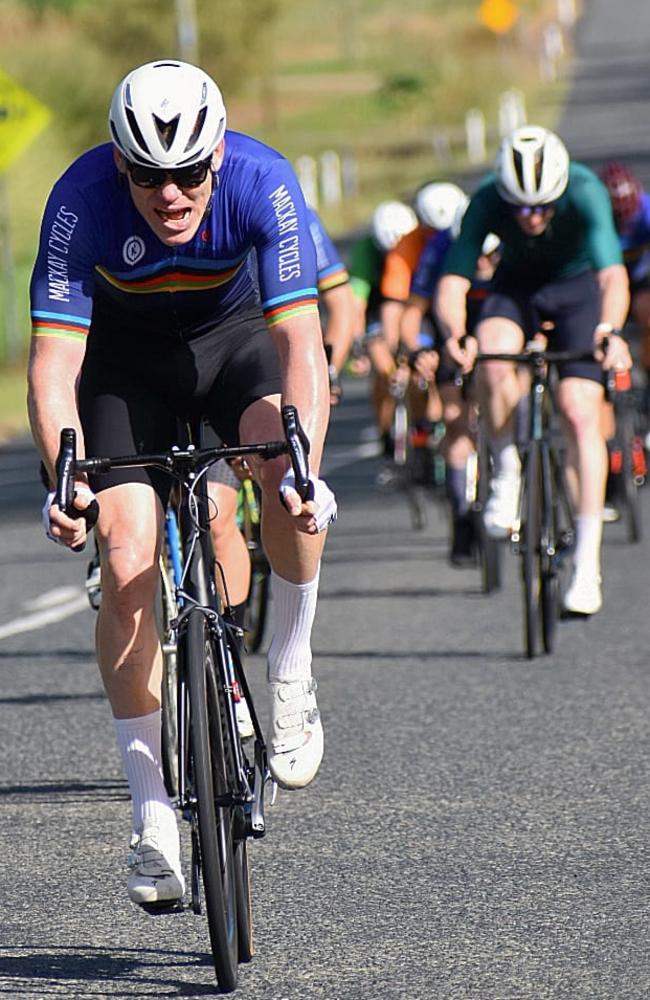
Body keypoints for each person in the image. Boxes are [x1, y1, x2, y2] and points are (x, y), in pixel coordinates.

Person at [28, 59, 337, 907]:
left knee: (285, 474)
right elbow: (56, 362)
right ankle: (151, 812)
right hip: (125, 367)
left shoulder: (262, 181)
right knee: (127, 554)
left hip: (235, 344)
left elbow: (301, 346)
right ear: (120, 164)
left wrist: (303, 459)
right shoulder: (79, 199)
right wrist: (65, 473)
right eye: (150, 176)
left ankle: (290, 659)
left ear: (220, 153)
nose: (171, 194)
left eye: (189, 174)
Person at [436, 124, 631, 616]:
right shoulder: (486, 200)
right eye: (521, 208)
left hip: (577, 291)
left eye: (543, 207)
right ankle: (506, 467)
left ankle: (587, 560)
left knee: (579, 410)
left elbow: (612, 274)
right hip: (515, 289)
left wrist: (608, 330)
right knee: (492, 355)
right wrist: (455, 335)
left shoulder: (585, 190)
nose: (533, 217)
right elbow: (454, 280)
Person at [401, 210, 501, 564]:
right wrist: (417, 351)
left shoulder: (513, 246)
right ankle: (461, 517)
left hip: (500, 327)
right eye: (478, 256)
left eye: (491, 257)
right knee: (457, 420)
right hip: (451, 334)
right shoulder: (440, 249)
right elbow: (413, 313)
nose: (483, 264)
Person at [347, 199, 418, 468]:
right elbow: (356, 303)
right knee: (384, 366)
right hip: (377, 307)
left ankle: (425, 426)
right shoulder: (366, 251)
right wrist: (358, 346)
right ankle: (385, 429)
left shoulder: (416, 246)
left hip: (411, 300)